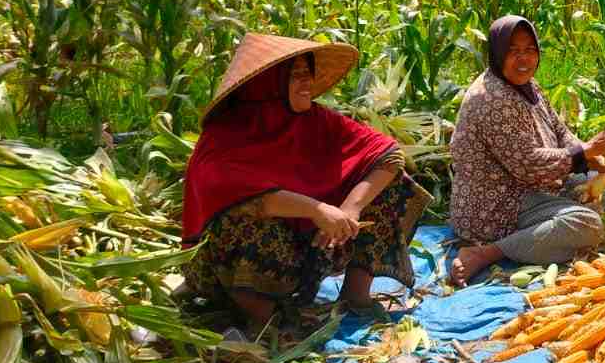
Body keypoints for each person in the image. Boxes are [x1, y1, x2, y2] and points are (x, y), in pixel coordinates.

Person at [181, 33, 430, 329]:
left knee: (394, 184)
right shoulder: (224, 135)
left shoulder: (315, 120)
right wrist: (317, 210)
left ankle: (355, 295)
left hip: (308, 249)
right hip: (223, 269)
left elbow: (389, 155)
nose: (307, 82)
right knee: (243, 219)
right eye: (295, 75)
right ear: (268, 84)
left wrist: (349, 209)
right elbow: (244, 197)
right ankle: (260, 319)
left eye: (307, 73)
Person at [448, 15, 605, 285]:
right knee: (587, 225)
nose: (524, 59)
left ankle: (543, 228)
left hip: (532, 185)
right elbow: (528, 164)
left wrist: (592, 159)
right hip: (498, 205)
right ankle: (487, 251)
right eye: (513, 51)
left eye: (530, 50)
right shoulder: (491, 98)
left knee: (602, 184)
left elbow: (559, 131)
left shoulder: (526, 85)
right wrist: (587, 150)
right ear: (497, 53)